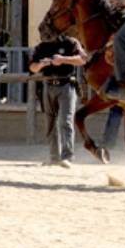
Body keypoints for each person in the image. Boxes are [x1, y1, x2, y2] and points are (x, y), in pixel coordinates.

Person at [29, 35, 87, 168]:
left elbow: (82, 59)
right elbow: (32, 67)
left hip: (66, 84)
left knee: (65, 121)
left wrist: (63, 60)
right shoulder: (41, 46)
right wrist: (42, 64)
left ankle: (67, 157)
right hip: (48, 85)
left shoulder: (70, 42)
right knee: (50, 122)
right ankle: (54, 157)